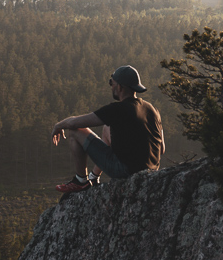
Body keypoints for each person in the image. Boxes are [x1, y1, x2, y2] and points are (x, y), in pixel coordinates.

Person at [50, 65, 164, 193]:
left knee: (75, 131)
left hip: (125, 172)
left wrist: (58, 125)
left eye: (111, 83)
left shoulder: (117, 109)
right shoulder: (152, 110)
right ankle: (94, 176)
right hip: (152, 171)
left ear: (119, 87)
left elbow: (74, 123)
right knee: (107, 127)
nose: (111, 86)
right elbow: (162, 149)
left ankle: (81, 181)